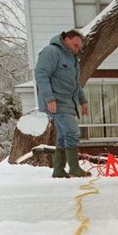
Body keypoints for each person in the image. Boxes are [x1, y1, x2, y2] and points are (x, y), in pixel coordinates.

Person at [35, 29, 91, 178]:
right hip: (56, 101)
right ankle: (74, 168)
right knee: (72, 132)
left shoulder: (72, 59)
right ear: (66, 40)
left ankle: (58, 170)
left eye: (79, 47)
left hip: (68, 102)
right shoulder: (51, 52)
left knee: (62, 136)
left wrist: (82, 101)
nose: (77, 49)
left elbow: (75, 84)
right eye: (75, 45)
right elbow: (41, 74)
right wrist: (49, 98)